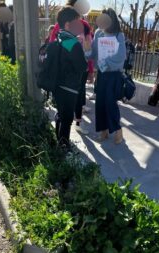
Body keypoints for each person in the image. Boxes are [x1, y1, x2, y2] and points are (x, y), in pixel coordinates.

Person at [48, 0, 94, 134]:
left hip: (59, 79)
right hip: (70, 82)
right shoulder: (70, 40)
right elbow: (81, 63)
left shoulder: (60, 34)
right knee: (68, 116)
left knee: (62, 112)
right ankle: (63, 145)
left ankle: (60, 139)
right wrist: (84, 52)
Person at [86, 9, 127, 144]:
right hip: (102, 75)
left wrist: (105, 62)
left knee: (110, 103)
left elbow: (121, 56)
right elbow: (93, 53)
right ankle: (103, 131)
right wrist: (85, 52)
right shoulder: (98, 33)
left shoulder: (119, 35)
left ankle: (117, 130)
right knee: (100, 103)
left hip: (114, 75)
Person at [52, 7, 87, 151]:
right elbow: (81, 66)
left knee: (61, 115)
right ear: (67, 24)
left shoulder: (59, 37)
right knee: (67, 118)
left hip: (57, 84)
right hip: (69, 87)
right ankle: (63, 147)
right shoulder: (72, 43)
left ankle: (58, 141)